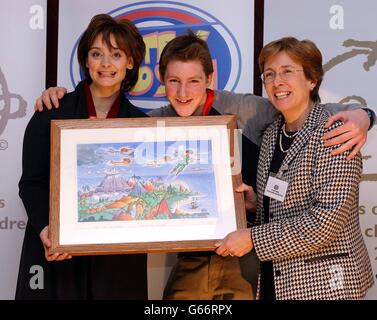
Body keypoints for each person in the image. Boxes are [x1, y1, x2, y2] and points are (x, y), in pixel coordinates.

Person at [34, 31, 374, 300]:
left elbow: (306, 110)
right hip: (196, 257)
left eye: (194, 81)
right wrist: (59, 99)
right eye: (173, 82)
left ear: (209, 79)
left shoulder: (251, 110)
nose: (183, 92)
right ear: (161, 80)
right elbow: (102, 133)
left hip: (263, 259)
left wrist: (364, 116)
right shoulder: (150, 123)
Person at [215, 37, 374, 300]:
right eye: (269, 74)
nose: (277, 82)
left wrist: (252, 238)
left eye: (287, 71)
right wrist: (257, 205)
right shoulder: (270, 134)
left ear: (312, 80)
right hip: (276, 280)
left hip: (325, 285)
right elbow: (283, 204)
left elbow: (323, 224)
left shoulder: (335, 132)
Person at [16, 14, 148, 299]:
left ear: (130, 62)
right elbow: (31, 183)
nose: (105, 64)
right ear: (86, 60)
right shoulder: (52, 111)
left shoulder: (142, 126)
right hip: (57, 253)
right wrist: (46, 230)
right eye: (96, 54)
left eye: (116, 55)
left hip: (118, 260)